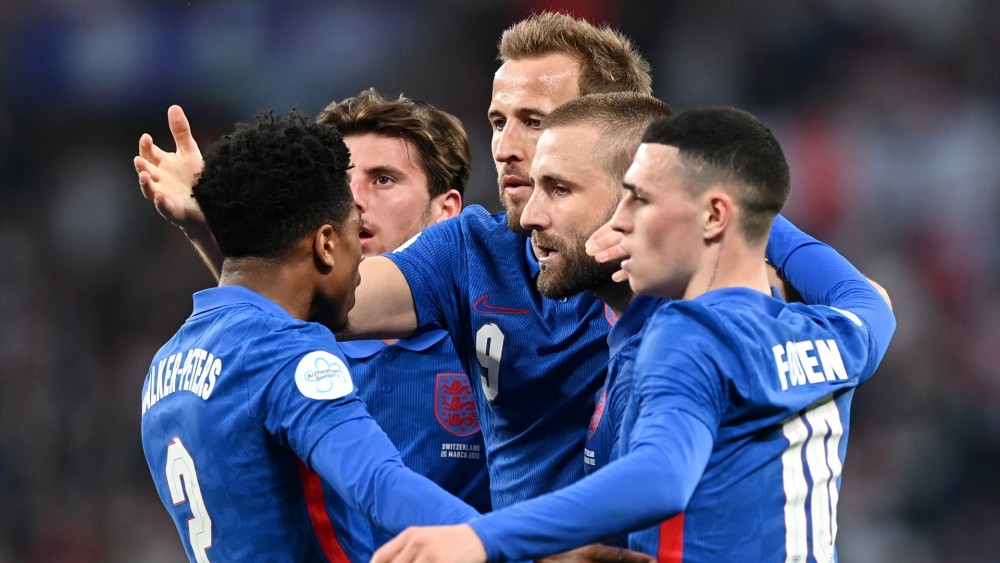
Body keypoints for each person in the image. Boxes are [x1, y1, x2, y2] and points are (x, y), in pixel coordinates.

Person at [134, 11, 653, 512]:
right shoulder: (469, 252)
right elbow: (307, 294)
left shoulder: (675, 278)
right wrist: (218, 220)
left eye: (534, 122)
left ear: (609, 132)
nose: (504, 147)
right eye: (498, 121)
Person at [369, 107, 897, 562]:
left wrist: (481, 537)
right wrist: (748, 203)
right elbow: (869, 302)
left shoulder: (686, 337)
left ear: (715, 214)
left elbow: (662, 476)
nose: (618, 223)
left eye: (640, 200)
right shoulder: (837, 331)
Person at [139, 109, 478, 562]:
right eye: (353, 235)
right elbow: (378, 484)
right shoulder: (293, 352)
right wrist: (511, 542)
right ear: (326, 244)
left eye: (382, 180)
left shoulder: (166, 365)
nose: (362, 267)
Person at [316, 89, 491, 546]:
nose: (353, 200)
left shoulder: (493, 343)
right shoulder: (304, 349)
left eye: (383, 179)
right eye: (340, 181)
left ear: (446, 212)